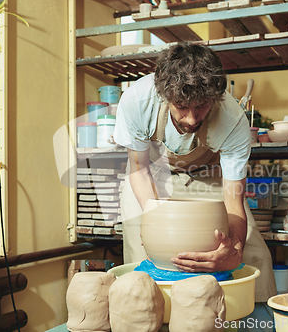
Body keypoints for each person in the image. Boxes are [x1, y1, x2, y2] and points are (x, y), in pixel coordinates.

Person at [113, 43, 276, 331]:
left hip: (210, 175)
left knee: (253, 253)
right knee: (147, 255)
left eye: (201, 107)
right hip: (152, 174)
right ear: (164, 95)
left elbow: (233, 196)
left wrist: (235, 248)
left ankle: (256, 323)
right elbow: (138, 169)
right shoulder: (138, 100)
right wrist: (155, 221)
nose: (191, 118)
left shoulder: (233, 119)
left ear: (215, 98)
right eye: (181, 107)